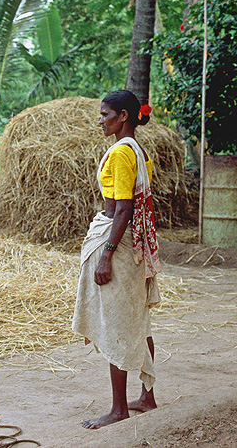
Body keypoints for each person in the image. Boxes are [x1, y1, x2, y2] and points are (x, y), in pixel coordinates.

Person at [72, 89, 162, 429]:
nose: (101, 120)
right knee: (138, 318)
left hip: (119, 240)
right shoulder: (138, 150)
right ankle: (147, 396)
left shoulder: (121, 153)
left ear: (123, 116)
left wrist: (107, 254)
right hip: (132, 241)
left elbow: (124, 207)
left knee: (118, 322)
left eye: (106, 114)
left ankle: (119, 409)